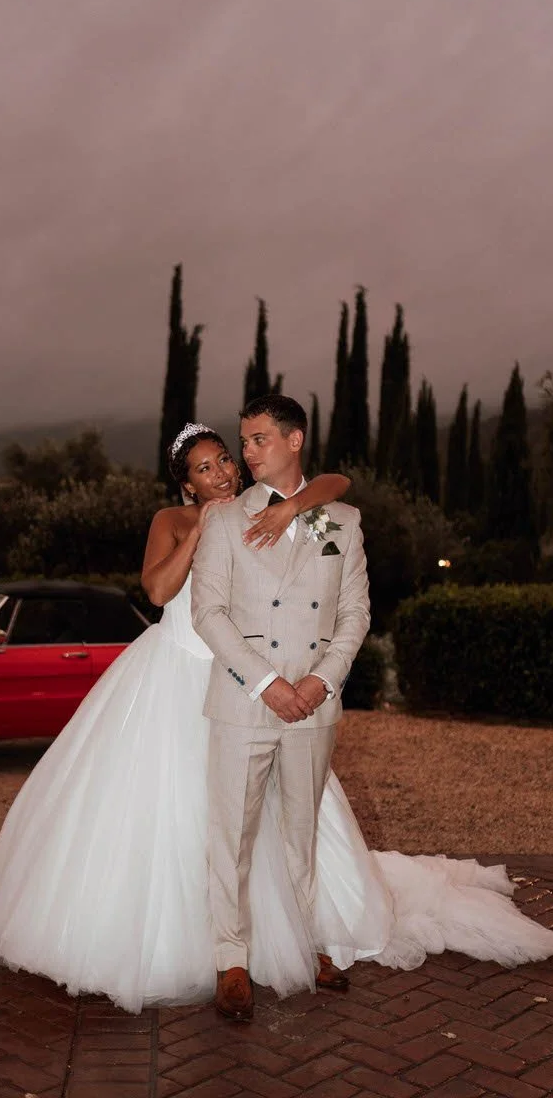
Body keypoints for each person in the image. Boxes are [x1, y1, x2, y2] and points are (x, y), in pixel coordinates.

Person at [0, 417, 553, 1016]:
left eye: (226, 459)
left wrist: (292, 507)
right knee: (195, 817)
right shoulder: (179, 519)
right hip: (182, 674)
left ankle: (299, 934)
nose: (221, 472)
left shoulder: (267, 506)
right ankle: (212, 950)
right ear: (187, 484)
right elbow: (157, 593)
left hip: (260, 679)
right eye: (205, 469)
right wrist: (198, 530)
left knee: (290, 819)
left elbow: (332, 486)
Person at [192, 394, 369, 1019]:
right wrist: (267, 683)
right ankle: (230, 960)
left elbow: (355, 615)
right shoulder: (220, 520)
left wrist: (322, 680)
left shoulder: (340, 520)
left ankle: (308, 941)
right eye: (244, 442)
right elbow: (207, 613)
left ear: (295, 441)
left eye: (259, 439)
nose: (246, 452)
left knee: (302, 832)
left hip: (314, 703)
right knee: (231, 836)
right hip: (245, 701)